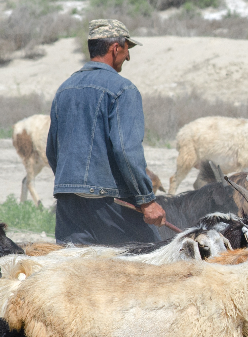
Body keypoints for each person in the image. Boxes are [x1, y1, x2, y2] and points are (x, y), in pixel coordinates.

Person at [47, 19, 167, 245]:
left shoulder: (64, 89)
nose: (128, 57)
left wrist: (73, 186)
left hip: (68, 203)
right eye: (127, 49)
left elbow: (53, 150)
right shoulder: (123, 90)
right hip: (111, 203)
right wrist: (147, 201)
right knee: (146, 262)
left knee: (74, 271)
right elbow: (125, 150)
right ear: (115, 48)